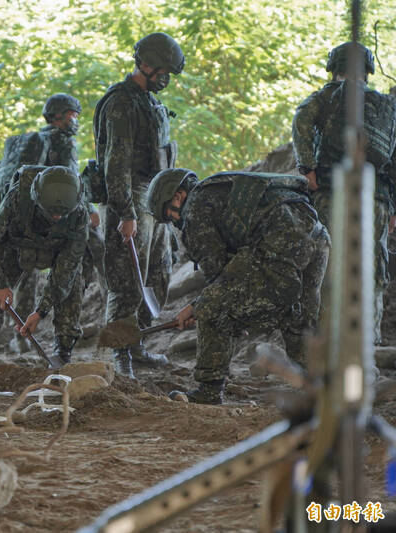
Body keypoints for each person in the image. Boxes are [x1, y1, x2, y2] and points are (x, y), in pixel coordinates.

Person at [145, 168, 330, 404]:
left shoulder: (195, 210)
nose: (172, 220)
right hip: (317, 237)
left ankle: (208, 392)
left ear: (179, 196)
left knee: (211, 307)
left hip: (280, 245)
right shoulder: (219, 188)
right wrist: (239, 311)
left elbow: (218, 275)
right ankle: (324, 388)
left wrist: (198, 308)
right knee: (299, 316)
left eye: (169, 213)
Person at [292, 41, 396, 344]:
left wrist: (307, 168)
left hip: (331, 190)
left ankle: (328, 343)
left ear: (334, 67)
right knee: (373, 268)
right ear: (367, 70)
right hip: (374, 198)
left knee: (329, 264)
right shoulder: (385, 107)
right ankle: (368, 344)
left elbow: (301, 122)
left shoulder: (325, 97)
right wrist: (392, 205)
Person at [93, 32, 184, 377]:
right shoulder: (121, 103)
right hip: (129, 197)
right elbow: (115, 163)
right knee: (126, 281)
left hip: (154, 198)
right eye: (163, 72)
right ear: (145, 66)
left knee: (157, 272)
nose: (166, 79)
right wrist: (126, 212)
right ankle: (121, 356)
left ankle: (138, 345)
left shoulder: (150, 102)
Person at [0, 93, 84, 351]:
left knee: (23, 276)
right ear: (59, 116)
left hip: (21, 223)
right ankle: (22, 341)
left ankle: (18, 340)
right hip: (44, 221)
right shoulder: (62, 142)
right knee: (71, 272)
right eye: (73, 115)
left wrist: (40, 311)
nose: (75, 121)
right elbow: (70, 181)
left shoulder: (31, 140)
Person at [0, 166, 89, 367]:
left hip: (56, 252)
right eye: (51, 212)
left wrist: (40, 312)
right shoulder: (17, 199)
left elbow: (67, 268)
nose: (56, 217)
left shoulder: (79, 215)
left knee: (71, 288)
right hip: (14, 248)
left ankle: (63, 354)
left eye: (62, 214)